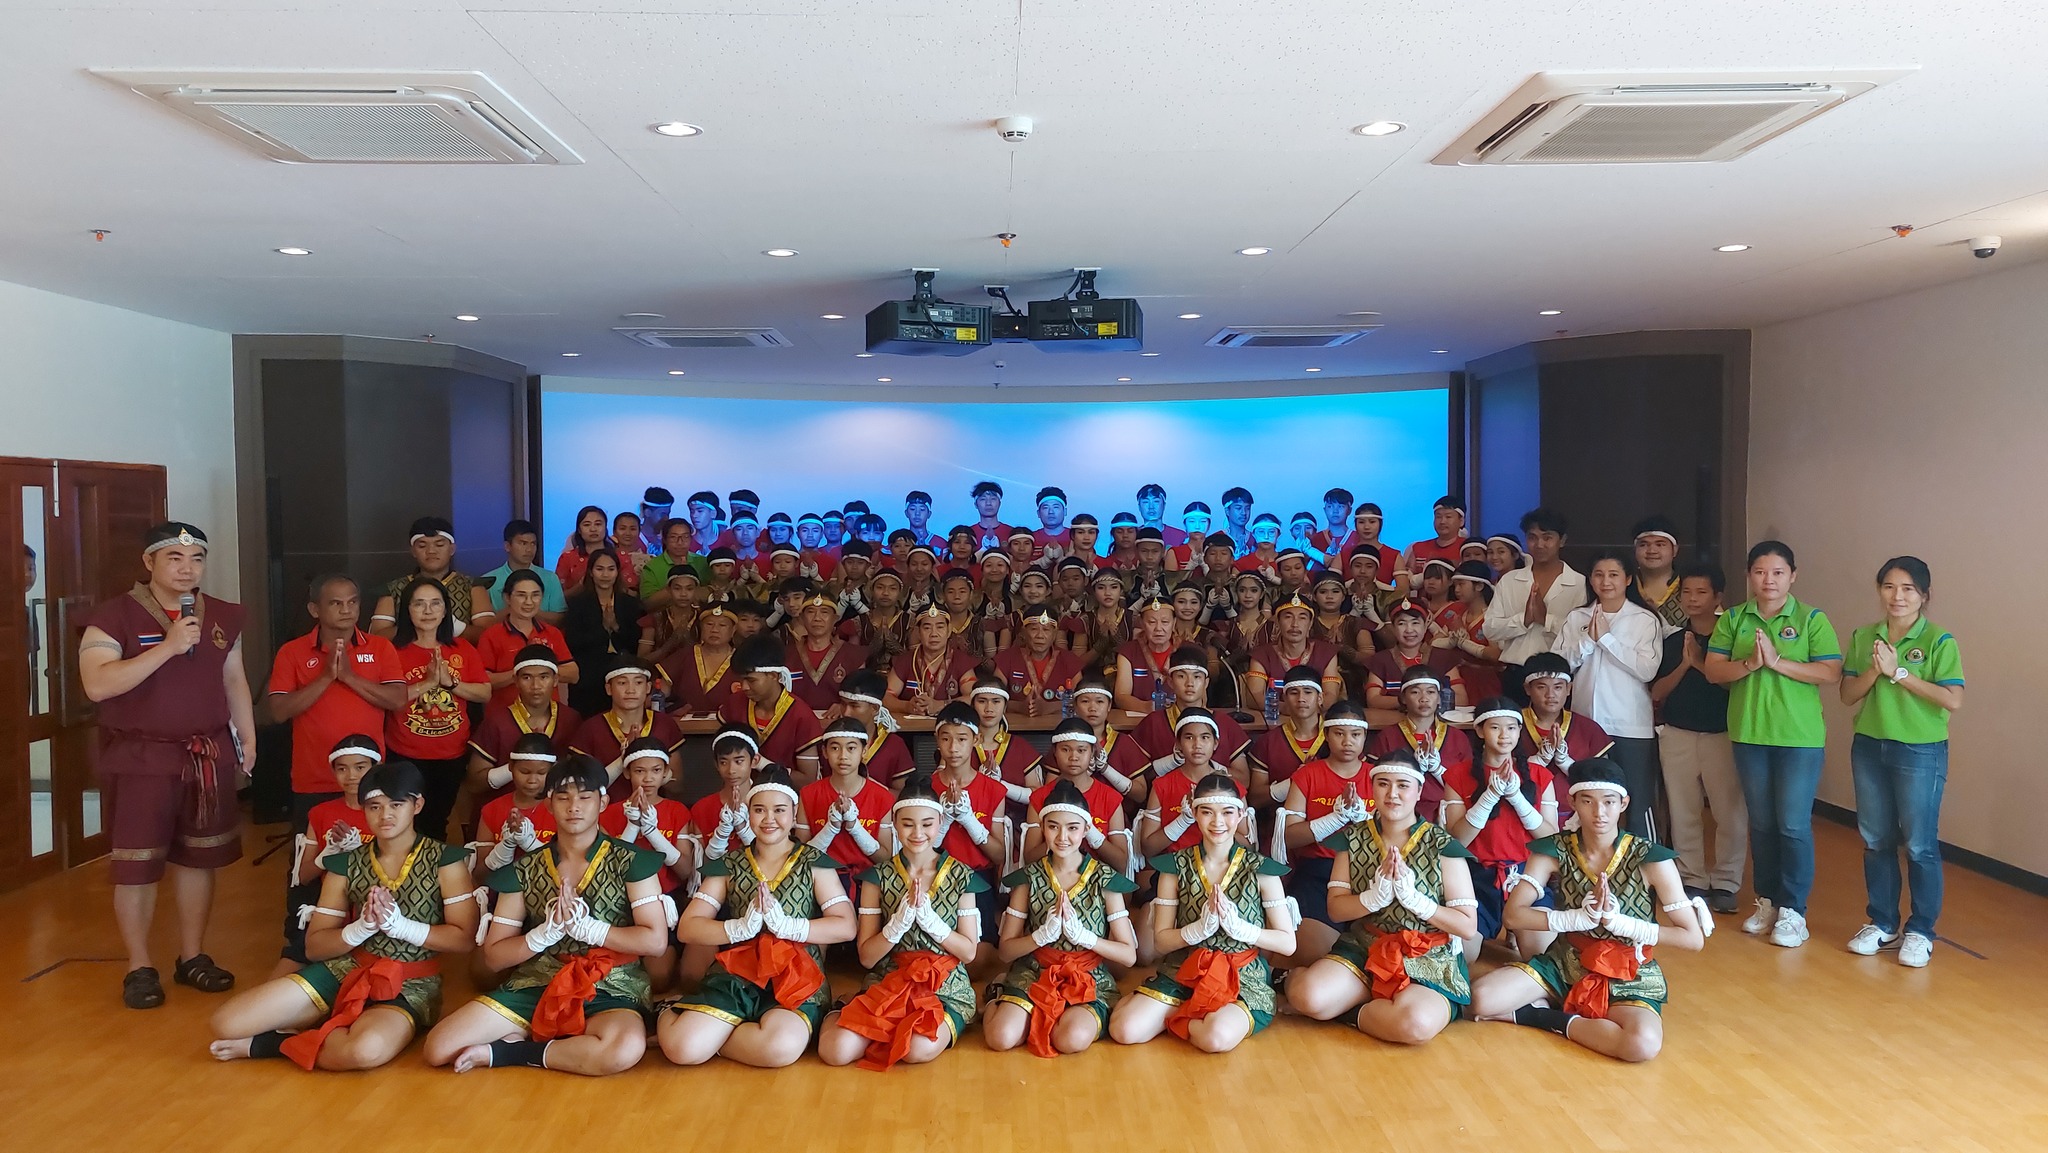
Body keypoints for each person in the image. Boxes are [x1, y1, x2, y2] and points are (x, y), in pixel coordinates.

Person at [78, 522, 257, 1009]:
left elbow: (233, 678)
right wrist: (168, 647)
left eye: (196, 559)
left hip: (206, 753)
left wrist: (246, 736)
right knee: (136, 865)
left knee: (199, 858)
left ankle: (192, 956)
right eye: (174, 558)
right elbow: (98, 685)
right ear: (149, 562)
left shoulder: (221, 615)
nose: (186, 569)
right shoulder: (112, 616)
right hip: (143, 757)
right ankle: (139, 966)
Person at [209, 759, 475, 1068]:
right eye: (374, 807)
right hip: (347, 968)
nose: (385, 815)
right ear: (363, 809)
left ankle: (277, 1044)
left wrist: (402, 927)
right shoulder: (346, 864)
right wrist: (360, 929)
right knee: (227, 1024)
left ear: (417, 805)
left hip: (411, 982)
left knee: (364, 1051)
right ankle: (325, 1032)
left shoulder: (445, 861)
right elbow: (315, 946)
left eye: (396, 805)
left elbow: (463, 939)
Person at [422, 755, 669, 1075]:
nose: (574, 807)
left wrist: (590, 929)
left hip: (612, 983)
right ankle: (555, 1041)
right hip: (539, 979)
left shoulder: (631, 861)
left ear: (603, 803)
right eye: (563, 798)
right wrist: (543, 935)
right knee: (439, 1047)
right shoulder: (526, 868)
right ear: (549, 805)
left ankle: (513, 1051)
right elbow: (495, 956)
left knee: (622, 1050)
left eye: (585, 797)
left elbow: (655, 941)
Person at [1466, 759, 1712, 1063]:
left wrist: (1623, 924)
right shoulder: (1554, 850)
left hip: (1627, 971)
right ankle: (1570, 1011)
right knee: (1480, 1000)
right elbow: (1513, 915)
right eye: (1588, 801)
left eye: (1609, 802)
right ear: (1572, 803)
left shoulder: (1650, 858)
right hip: (1565, 962)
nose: (1599, 812)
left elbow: (1692, 938)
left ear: (1623, 804)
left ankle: (1544, 1016)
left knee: (1642, 1045)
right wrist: (1575, 919)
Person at [661, 765, 859, 1067]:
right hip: (738, 973)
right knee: (683, 1050)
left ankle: (715, 1035)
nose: (769, 819)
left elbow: (846, 926)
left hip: (797, 976)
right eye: (759, 810)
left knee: (779, 1048)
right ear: (747, 813)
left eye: (779, 810)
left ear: (794, 814)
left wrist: (789, 927)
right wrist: (738, 928)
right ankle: (670, 1013)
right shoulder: (730, 864)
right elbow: (688, 927)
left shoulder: (814, 862)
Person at [1703, 541, 1842, 949]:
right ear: (1749, 575)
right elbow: (1713, 671)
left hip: (1799, 738)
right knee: (1762, 822)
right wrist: (1750, 663)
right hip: (1749, 733)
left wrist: (1778, 662)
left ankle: (1794, 911)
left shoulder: (1811, 618)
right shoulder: (1733, 618)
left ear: (1793, 576)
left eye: (1778, 572)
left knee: (1793, 824)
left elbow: (1830, 671)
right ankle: (1767, 901)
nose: (1769, 580)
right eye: (1760, 572)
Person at [1284, 751, 1477, 1044]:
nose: (1392, 794)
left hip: (1428, 955)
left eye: (1403, 785)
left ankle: (1351, 1011)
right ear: (1372, 788)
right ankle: (1290, 979)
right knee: (1309, 996)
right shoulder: (1352, 839)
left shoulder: (1442, 846)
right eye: (1383, 784)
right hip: (1366, 946)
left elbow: (1467, 926)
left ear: (1419, 791)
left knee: (1415, 1025)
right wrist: (1373, 898)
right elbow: (1336, 909)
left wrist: (1418, 902)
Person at [1839, 556, 1964, 967]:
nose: (1898, 596)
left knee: (1920, 843)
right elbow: (1847, 695)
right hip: (1870, 746)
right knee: (1876, 839)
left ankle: (1921, 930)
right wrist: (1876, 671)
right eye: (1889, 586)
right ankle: (1883, 923)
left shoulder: (1939, 640)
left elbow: (1952, 699)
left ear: (1924, 595)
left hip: (1920, 750)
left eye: (1908, 589)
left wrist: (1899, 673)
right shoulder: (1865, 636)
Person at [1111, 772, 1294, 1052]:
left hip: (1241, 975)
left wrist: (1242, 929)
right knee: (1125, 1030)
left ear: (1241, 815)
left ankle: (1185, 1015)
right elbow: (1161, 942)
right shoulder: (1175, 867)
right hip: (1185, 968)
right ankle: (1185, 1007)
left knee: (1215, 1039)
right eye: (1207, 812)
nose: (1217, 822)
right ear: (1194, 813)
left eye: (1227, 812)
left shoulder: (1262, 869)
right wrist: (1196, 930)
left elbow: (1287, 943)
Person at [816, 777, 986, 1070]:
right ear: (894, 823)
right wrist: (897, 925)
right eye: (908, 824)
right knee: (836, 1052)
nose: (917, 833)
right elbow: (867, 958)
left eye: (927, 824)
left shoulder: (961, 875)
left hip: (944, 985)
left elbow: (969, 953)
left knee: (916, 1048)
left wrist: (933, 923)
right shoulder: (878, 877)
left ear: (940, 822)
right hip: (889, 979)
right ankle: (840, 1008)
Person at [988, 778, 1141, 1057]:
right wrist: (1040, 936)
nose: (1062, 837)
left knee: (1071, 1040)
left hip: (1087, 975)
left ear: (1086, 830)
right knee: (1001, 1037)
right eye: (1053, 827)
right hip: (1034, 970)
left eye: (1072, 828)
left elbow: (1128, 956)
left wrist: (1086, 938)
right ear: (1042, 827)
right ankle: (997, 996)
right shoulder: (1028, 879)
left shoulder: (1105, 879)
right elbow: (1005, 952)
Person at [268, 574, 405, 824]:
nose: (346, 610)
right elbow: (278, 712)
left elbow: (398, 700)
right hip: (314, 780)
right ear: (314, 609)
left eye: (352, 602)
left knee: (370, 848)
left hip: (369, 778)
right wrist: (325, 678)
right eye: (335, 603)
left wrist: (349, 677)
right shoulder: (291, 652)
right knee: (313, 847)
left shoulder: (381, 647)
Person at [1552, 550, 1666, 841]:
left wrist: (1606, 639)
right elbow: (1558, 667)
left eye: (1614, 575)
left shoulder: (1644, 619)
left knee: (1637, 801)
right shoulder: (1577, 617)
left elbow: (1647, 670)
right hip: (1585, 722)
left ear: (1628, 579)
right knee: (1585, 798)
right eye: (1599, 575)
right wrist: (1588, 641)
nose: (1605, 582)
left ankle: (1645, 862)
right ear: (1590, 580)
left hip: (1630, 725)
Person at [1651, 564, 1745, 913]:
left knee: (1729, 813)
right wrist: (1685, 664)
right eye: (1686, 592)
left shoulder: (1732, 637)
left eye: (1701, 592)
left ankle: (1726, 882)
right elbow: (1657, 692)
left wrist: (1702, 663)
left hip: (1721, 734)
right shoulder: (1673, 640)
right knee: (1683, 810)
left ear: (1718, 596)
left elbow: (1734, 686)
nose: (1692, 599)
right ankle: (1692, 878)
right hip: (1677, 734)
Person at [1441, 700, 1558, 959]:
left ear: (1519, 731)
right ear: (1480, 731)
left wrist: (1517, 798)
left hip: (1526, 876)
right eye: (1495, 727)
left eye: (1511, 728)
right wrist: (1489, 797)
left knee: (1542, 953)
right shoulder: (1457, 774)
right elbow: (1458, 840)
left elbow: (1552, 839)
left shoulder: (1540, 775)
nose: (1504, 735)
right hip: (1477, 876)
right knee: (1462, 956)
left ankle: (1515, 931)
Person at [386, 577, 490, 840]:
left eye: (435, 603)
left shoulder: (463, 649)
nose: (428, 611)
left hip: (451, 755)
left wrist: (450, 683)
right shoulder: (392, 651)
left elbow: (484, 692)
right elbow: (387, 699)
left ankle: (430, 866)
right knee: (404, 823)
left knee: (436, 822)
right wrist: (427, 684)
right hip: (404, 754)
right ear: (407, 610)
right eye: (419, 604)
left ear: (446, 610)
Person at [1271, 697, 1371, 965]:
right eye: (1339, 734)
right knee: (1312, 957)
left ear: (1365, 737)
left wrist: (1366, 819)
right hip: (1318, 872)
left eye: (1355, 734)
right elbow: (1290, 837)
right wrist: (1335, 819)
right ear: (1326, 735)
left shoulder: (1378, 776)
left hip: (1370, 872)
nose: (1347, 741)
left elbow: (1398, 833)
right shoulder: (1307, 775)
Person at [596, 738, 694, 988]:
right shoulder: (608, 813)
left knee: (658, 978)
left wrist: (653, 833)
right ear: (627, 772)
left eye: (656, 770)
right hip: (618, 902)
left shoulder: (677, 810)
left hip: (663, 901)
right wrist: (631, 828)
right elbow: (605, 871)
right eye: (640, 771)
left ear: (666, 773)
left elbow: (685, 871)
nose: (648, 778)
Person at [279, 736, 380, 978]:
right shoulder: (320, 813)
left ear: (376, 768)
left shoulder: (388, 810)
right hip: (328, 910)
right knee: (285, 972)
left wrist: (361, 852)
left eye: (360, 767)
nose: (351, 776)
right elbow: (303, 877)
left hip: (373, 912)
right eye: (342, 769)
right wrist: (327, 855)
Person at [460, 647, 577, 835]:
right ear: (515, 680)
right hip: (502, 819)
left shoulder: (571, 719)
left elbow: (580, 778)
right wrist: (517, 768)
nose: (536, 685)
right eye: (527, 677)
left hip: (555, 819)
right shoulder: (497, 722)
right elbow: (474, 782)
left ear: (556, 680)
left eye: (544, 677)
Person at [1483, 508, 1584, 702]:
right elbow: (1490, 629)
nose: (1539, 544)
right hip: (1516, 675)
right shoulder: (1509, 581)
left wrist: (1546, 620)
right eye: (1532, 538)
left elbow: (1580, 636)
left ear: (1562, 540)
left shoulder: (1580, 584)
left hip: (1558, 678)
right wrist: (1524, 620)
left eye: (1547, 538)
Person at [1021, 720, 1134, 875]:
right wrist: (1059, 838)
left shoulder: (1110, 797)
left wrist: (1091, 833)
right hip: (1051, 879)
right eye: (1065, 749)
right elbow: (1030, 859)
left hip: (1099, 879)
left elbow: (1121, 863)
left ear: (1092, 752)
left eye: (1081, 750)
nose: (1073, 757)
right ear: (1054, 752)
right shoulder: (1039, 797)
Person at [1134, 708, 1251, 859]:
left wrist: (1219, 822)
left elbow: (1249, 846)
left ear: (1215, 743)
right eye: (1189, 737)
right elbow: (1148, 849)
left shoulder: (1231, 787)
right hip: (1175, 865)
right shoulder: (1161, 785)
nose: (1197, 745)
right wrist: (1183, 820)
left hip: (1222, 865)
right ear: (1178, 744)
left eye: (1205, 737)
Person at [1129, 646, 1253, 781]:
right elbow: (1139, 778)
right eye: (1181, 676)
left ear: (1206, 682)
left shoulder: (1225, 723)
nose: (1190, 683)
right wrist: (1171, 762)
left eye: (1197, 676)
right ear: (1170, 682)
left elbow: (1244, 779)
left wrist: (1209, 769)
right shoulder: (1153, 723)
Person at [797, 718, 896, 886]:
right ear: (825, 752)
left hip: (868, 882)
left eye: (851, 748)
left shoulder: (882, 796)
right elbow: (801, 856)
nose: (843, 756)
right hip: (820, 881)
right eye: (835, 748)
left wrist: (855, 827)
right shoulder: (808, 794)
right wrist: (831, 828)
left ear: (864, 750)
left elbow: (885, 858)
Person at [569, 657, 684, 799]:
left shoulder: (664, 724)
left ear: (648, 688)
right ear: (609, 689)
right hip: (607, 810)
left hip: (654, 810)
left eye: (638, 682)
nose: (630, 690)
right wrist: (623, 759)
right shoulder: (591, 728)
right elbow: (581, 789)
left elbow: (677, 786)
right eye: (622, 683)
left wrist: (650, 761)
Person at [1367, 667, 1469, 822]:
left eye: (1431, 692)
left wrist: (1437, 769)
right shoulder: (1387, 736)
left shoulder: (1458, 737)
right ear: (1403, 698)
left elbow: (1467, 785)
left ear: (1439, 698)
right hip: (1400, 813)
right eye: (1415, 692)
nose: (1424, 698)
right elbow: (1374, 782)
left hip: (1449, 814)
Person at [718, 634, 825, 779]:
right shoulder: (734, 704)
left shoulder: (801, 716)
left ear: (774, 675)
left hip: (785, 793)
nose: (744, 687)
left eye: (751, 680)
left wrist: (765, 765)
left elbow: (808, 780)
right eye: (741, 680)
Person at [370, 517, 495, 639]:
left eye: (439, 545)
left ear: (452, 549)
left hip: (459, 653)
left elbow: (489, 636)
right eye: (422, 546)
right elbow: (376, 637)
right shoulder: (393, 590)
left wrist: (455, 627)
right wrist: (411, 627)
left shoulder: (472, 587)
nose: (431, 551)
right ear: (413, 551)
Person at [473, 570, 577, 709]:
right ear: (507, 598)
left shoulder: (552, 633)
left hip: (548, 714)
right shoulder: (491, 635)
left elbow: (573, 674)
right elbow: (483, 681)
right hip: (506, 714)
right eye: (521, 595)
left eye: (535, 595)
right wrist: (521, 671)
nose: (529, 602)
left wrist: (537, 669)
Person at [1248, 667, 1330, 814]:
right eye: (1293, 693)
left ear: (1320, 698)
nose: (1301, 698)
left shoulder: (1339, 737)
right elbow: (1255, 800)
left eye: (1308, 692)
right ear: (1284, 699)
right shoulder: (1268, 742)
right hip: (1282, 823)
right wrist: (1290, 784)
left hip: (1332, 821)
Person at [1245, 590, 1344, 705]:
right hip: (1277, 715)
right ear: (1277, 622)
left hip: (1314, 715)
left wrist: (1303, 711)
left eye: (1302, 618)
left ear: (1310, 623)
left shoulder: (1326, 653)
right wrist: (1288, 708)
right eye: (1288, 617)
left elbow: (1330, 696)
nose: (1295, 624)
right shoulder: (1262, 655)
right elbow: (1254, 697)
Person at [1363, 603, 1460, 716]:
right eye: (1401, 623)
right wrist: (1410, 701)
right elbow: (1373, 700)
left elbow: (1461, 698)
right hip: (1393, 721)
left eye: (1415, 623)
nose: (1409, 630)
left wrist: (1420, 702)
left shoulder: (1443, 657)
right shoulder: (1381, 659)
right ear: (1393, 628)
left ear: (1425, 626)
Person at [887, 604, 979, 717]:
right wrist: (906, 706)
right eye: (927, 628)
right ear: (918, 632)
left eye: (940, 627)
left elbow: (974, 697)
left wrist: (942, 705)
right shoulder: (905, 660)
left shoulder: (961, 660)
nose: (933, 634)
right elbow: (886, 697)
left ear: (949, 630)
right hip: (910, 726)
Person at [992, 605, 1084, 717]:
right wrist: (1019, 707)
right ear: (1024, 631)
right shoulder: (1007, 658)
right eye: (1034, 629)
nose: (1040, 636)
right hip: (1016, 725)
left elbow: (1082, 699)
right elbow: (992, 697)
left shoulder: (1069, 660)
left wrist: (1050, 707)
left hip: (1059, 725)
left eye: (1046, 630)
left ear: (1055, 633)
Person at [832, 670, 920, 786]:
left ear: (874, 708)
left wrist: (872, 790)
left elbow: (903, 793)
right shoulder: (831, 742)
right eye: (843, 704)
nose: (846, 713)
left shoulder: (894, 745)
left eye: (854, 706)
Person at [786, 590, 867, 711]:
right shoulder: (785, 654)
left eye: (824, 612)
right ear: (802, 618)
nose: (817, 618)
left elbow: (861, 697)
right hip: (796, 720)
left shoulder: (853, 655)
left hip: (840, 720)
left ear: (835, 618)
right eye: (811, 612)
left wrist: (844, 706)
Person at [1070, 676, 1150, 798]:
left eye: (1100, 702)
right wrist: (1081, 775)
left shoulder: (1124, 743)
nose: (1092, 708)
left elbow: (1141, 795)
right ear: (1075, 706)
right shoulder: (1065, 742)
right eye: (1085, 701)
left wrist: (1107, 770)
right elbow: (1049, 789)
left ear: (1109, 706)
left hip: (1116, 809)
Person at [481, 519, 567, 624]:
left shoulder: (550, 578)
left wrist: (529, 609)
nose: (529, 549)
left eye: (533, 544)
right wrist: (514, 608)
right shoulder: (488, 581)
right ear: (507, 546)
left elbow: (559, 618)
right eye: (523, 543)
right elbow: (484, 624)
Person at [1443, 561, 1504, 701]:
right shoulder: (1458, 611)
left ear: (1479, 586)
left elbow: (1495, 654)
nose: (1456, 590)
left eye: (1461, 584)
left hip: (1485, 682)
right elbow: (1435, 641)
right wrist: (1451, 640)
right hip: (1459, 679)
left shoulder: (1492, 616)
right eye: (1455, 585)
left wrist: (1464, 643)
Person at [664, 602, 739, 715]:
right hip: (684, 723)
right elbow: (660, 695)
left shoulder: (743, 659)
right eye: (709, 624)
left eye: (722, 625)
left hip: (730, 723)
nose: (714, 630)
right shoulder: (684, 655)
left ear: (733, 630)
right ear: (701, 627)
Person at [1113, 594, 1178, 711]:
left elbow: (1199, 697)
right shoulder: (1129, 651)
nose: (1158, 628)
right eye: (1152, 622)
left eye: (1165, 622)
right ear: (1142, 624)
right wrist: (1147, 707)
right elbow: (1121, 696)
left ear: (1174, 623)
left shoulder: (1188, 650)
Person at [639, 518, 711, 608]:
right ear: (665, 540)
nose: (680, 542)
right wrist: (675, 582)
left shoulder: (703, 562)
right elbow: (647, 604)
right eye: (673, 537)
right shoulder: (652, 567)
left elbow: (714, 590)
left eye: (685, 537)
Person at [1632, 516, 1687, 628]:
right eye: (1643, 545)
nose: (1652, 551)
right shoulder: (1623, 586)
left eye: (1660, 544)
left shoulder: (1690, 585)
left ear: (1674, 550)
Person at [1402, 496, 1469, 578]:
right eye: (1438, 517)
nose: (1442, 521)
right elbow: (1407, 579)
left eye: (1448, 517)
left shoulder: (1467, 548)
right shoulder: (1417, 548)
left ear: (1461, 521)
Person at [611, 511, 649, 596]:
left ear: (639, 532)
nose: (628, 533)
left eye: (633, 529)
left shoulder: (649, 560)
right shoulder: (607, 558)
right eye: (622, 528)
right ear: (614, 531)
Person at [969, 480, 1011, 553]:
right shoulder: (968, 534)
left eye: (993, 499)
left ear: (999, 503)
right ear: (976, 504)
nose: (988, 503)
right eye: (983, 499)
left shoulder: (1011, 532)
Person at [1031, 487, 1071, 560]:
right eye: (1046, 508)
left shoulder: (1075, 537)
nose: (1051, 512)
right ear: (1038, 513)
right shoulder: (1030, 539)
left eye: (1056, 507)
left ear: (1065, 511)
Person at [637, 487, 674, 554]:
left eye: (668, 514)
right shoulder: (632, 538)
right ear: (647, 512)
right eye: (662, 514)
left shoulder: (671, 540)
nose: (666, 518)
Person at [1219, 487, 1255, 556]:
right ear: (1227, 511)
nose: (1244, 512)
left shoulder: (1255, 540)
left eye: (1247, 508)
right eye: (1238, 508)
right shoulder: (1217, 538)